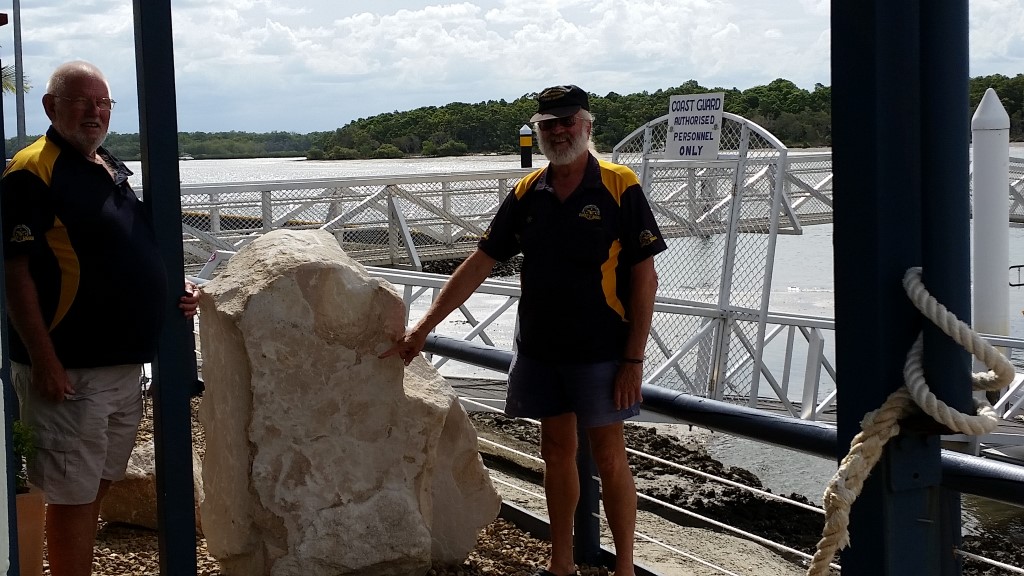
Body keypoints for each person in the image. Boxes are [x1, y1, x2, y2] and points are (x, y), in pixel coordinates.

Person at [381, 84, 665, 576]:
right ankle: (561, 565)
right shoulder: (528, 191)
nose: (558, 131)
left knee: (609, 456)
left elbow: (645, 278)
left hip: (602, 350)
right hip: (540, 349)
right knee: (555, 452)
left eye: (567, 121)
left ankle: (624, 568)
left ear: (587, 125)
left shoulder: (620, 185)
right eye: (547, 124)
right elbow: (480, 261)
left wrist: (633, 360)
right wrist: (423, 327)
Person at [1, 60, 199, 576]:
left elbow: (126, 244)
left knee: (96, 484)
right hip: (70, 372)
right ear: (51, 107)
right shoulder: (33, 170)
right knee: (72, 494)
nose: (95, 111)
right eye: (81, 101)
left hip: (122, 368)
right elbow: (15, 272)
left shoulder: (106, 164)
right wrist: (44, 360)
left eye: (103, 102)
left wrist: (172, 288)